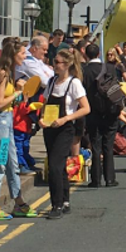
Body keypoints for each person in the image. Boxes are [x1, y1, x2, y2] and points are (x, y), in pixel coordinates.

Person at [0, 38, 38, 220]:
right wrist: (16, 94)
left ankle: (19, 202)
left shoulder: (9, 74)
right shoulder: (2, 74)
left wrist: (20, 96)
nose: (25, 55)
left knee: (13, 164)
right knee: (0, 162)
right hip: (0, 124)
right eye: (22, 53)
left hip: (7, 123)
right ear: (13, 55)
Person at [39, 49, 89, 219]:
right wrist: (41, 118)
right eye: (54, 62)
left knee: (54, 166)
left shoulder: (73, 83)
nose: (54, 65)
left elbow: (85, 108)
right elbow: (45, 104)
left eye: (58, 63)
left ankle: (56, 205)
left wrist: (66, 118)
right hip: (50, 128)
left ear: (66, 65)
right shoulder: (52, 82)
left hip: (65, 129)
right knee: (58, 166)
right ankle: (65, 200)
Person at [83, 44, 125, 188]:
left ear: (85, 54)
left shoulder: (84, 71)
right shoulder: (110, 68)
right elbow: (115, 88)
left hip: (92, 112)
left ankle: (95, 179)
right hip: (110, 111)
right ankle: (110, 178)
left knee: (95, 145)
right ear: (99, 53)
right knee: (108, 144)